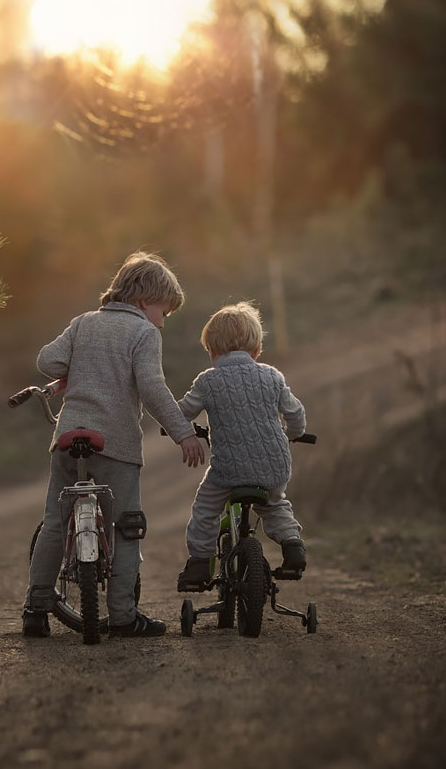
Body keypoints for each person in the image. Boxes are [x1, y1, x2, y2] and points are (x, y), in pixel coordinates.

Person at [22, 252, 205, 638]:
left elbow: (46, 360)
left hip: (67, 441)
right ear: (143, 302)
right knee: (126, 527)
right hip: (115, 446)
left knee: (55, 524)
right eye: (163, 311)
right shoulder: (144, 333)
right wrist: (183, 432)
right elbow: (153, 389)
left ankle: (35, 610)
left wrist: (78, 368)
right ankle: (122, 615)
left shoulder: (84, 323)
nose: (163, 320)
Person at [175, 301, 308, 592]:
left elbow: (181, 412)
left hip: (229, 469)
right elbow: (295, 413)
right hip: (274, 465)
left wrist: (179, 429)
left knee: (206, 510)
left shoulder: (208, 381)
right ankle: (293, 548)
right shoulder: (272, 376)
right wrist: (294, 434)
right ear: (257, 349)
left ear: (211, 350)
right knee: (274, 505)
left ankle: (199, 564)